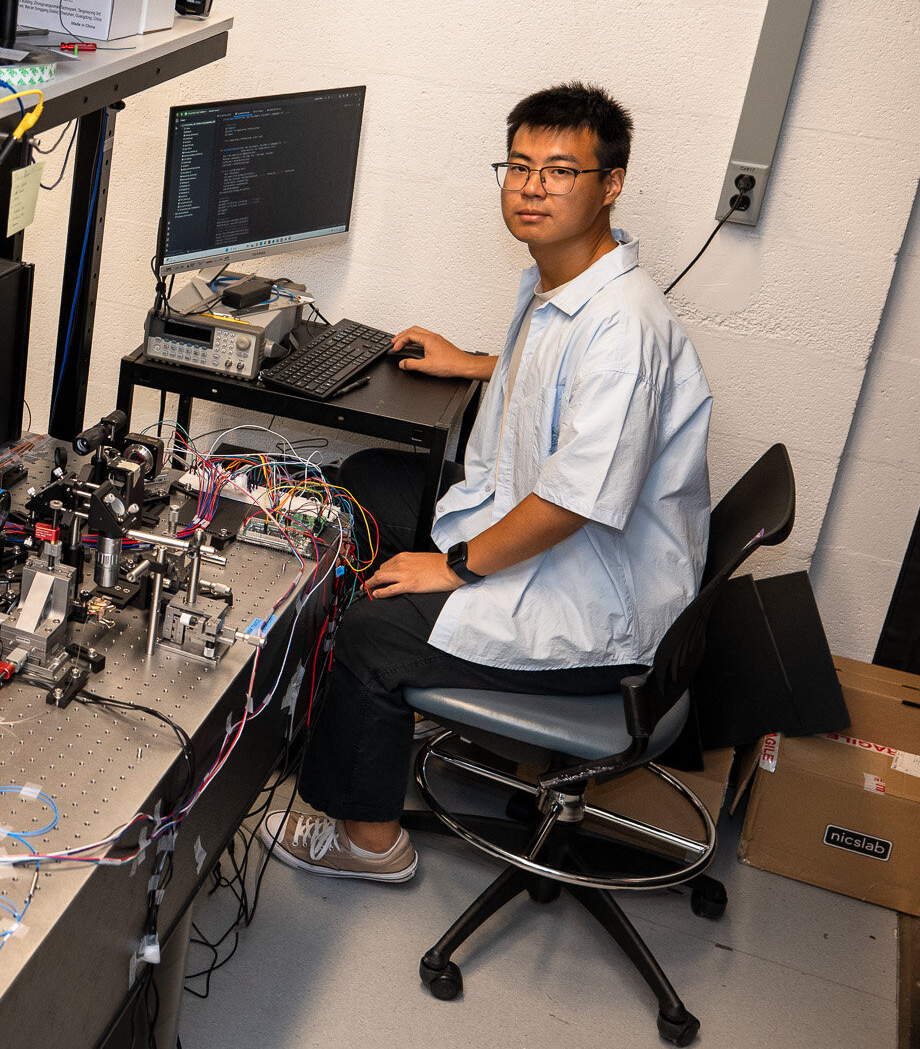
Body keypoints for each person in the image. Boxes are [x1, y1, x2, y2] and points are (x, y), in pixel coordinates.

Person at [265, 82, 713, 882]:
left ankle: (370, 839)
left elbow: (572, 502)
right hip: (559, 541)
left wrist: (455, 566)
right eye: (520, 166)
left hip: (597, 601)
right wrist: (472, 362)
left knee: (373, 629)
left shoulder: (626, 329)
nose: (533, 187)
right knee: (368, 482)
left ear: (611, 183)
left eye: (561, 170)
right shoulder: (568, 280)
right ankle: (359, 711)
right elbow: (563, 383)